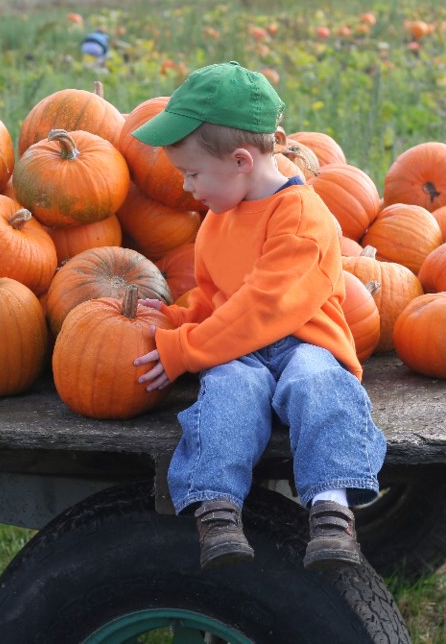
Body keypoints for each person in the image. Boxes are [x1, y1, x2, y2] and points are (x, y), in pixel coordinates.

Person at [130, 61, 387, 571]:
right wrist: (184, 317)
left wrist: (187, 348)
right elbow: (218, 294)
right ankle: (218, 509)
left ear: (243, 160)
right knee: (229, 386)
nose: (186, 188)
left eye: (193, 173)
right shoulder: (218, 218)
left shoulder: (302, 217)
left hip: (303, 341)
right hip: (240, 347)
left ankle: (331, 510)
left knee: (320, 383)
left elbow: (264, 304)